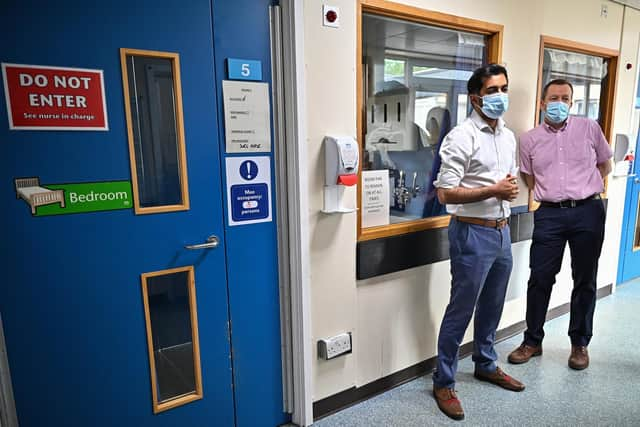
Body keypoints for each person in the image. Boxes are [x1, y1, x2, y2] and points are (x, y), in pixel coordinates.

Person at [432, 64, 524, 421]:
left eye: (504, 87)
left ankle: (486, 364)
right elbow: (444, 193)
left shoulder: (508, 136)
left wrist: (504, 192)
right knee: (461, 309)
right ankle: (443, 380)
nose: (501, 96)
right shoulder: (461, 136)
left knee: (493, 305)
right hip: (471, 232)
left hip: (502, 230)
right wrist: (493, 190)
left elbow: (507, 181)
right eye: (492, 90)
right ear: (475, 98)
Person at [508, 79, 612, 370]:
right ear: (542, 103)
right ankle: (532, 340)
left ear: (572, 102)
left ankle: (579, 343)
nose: (559, 102)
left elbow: (606, 165)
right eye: (553, 97)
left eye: (565, 98)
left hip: (588, 210)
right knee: (540, 277)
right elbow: (529, 179)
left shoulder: (589, 128)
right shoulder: (529, 139)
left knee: (585, 278)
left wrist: (584, 189)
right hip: (550, 213)